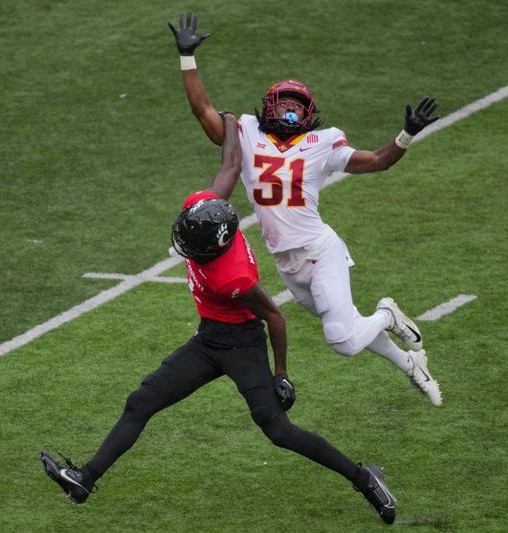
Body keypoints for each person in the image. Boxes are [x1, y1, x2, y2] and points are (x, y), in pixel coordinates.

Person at [41, 114, 398, 524]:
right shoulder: (209, 210)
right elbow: (230, 163)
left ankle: (363, 479)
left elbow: (275, 318)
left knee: (278, 431)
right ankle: (84, 479)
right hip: (209, 340)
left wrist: (281, 373)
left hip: (242, 344)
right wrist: (232, 122)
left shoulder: (230, 276)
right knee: (142, 401)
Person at [168, 12, 442, 406]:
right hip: (286, 260)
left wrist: (407, 134)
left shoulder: (323, 143)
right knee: (348, 326)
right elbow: (203, 110)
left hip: (318, 249)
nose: (290, 113)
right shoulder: (245, 132)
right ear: (269, 107)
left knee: (343, 340)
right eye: (284, 106)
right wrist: (187, 58)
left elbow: (378, 160)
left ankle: (387, 313)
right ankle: (411, 363)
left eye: (297, 108)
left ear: (309, 114)